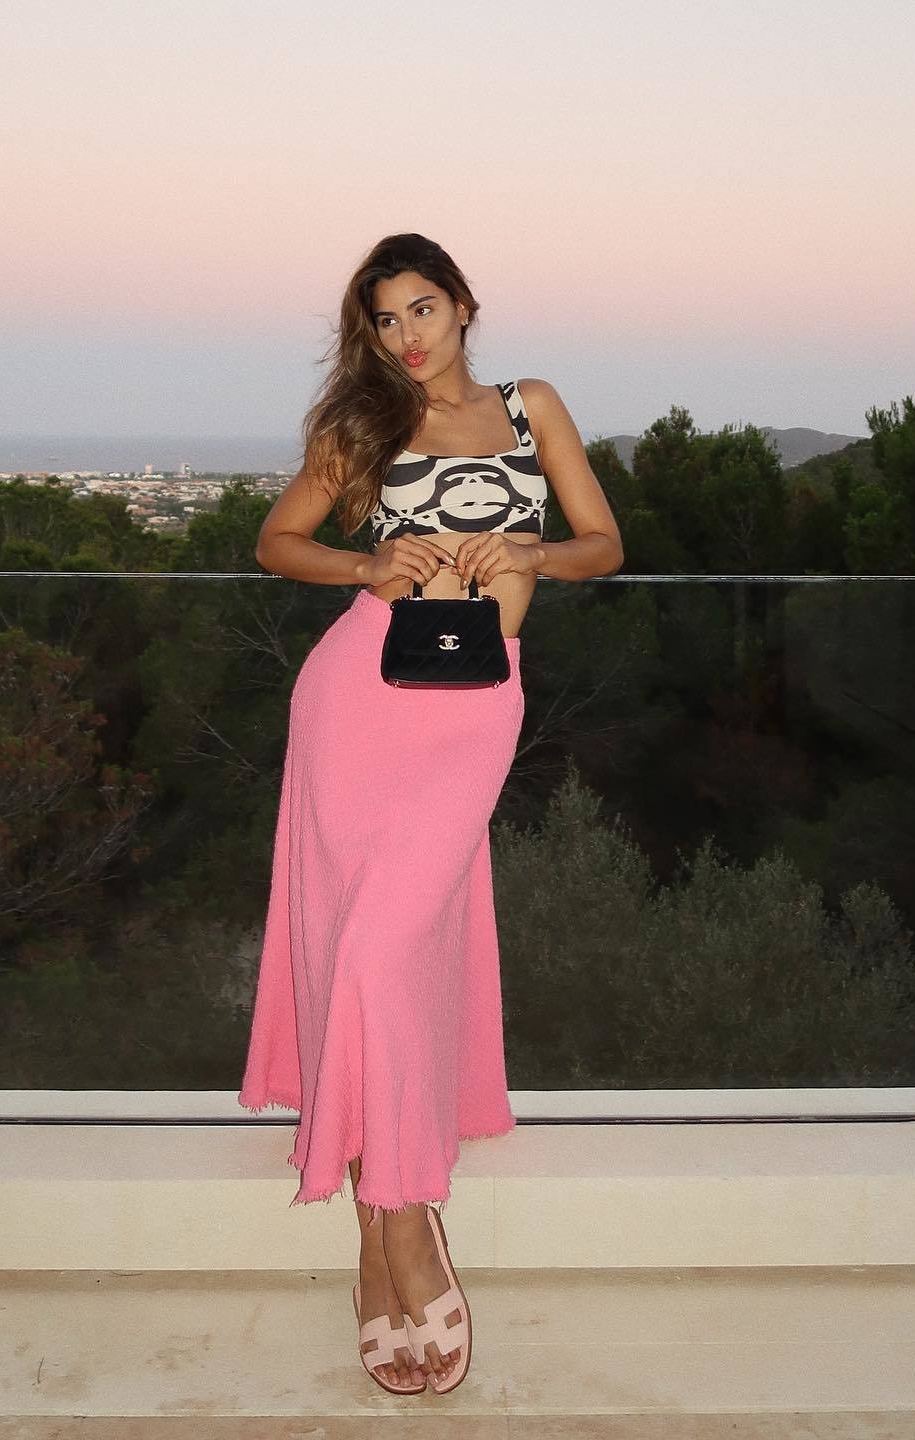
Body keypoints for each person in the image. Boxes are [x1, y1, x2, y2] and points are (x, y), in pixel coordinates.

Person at [237, 233, 623, 1395]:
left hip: (475, 702)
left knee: (386, 945)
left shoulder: (531, 406)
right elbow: (277, 542)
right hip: (361, 691)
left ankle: (387, 1218)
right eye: (385, 319)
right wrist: (364, 568)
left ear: (462, 304)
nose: (406, 336)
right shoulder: (363, 423)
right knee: (360, 951)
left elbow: (606, 544)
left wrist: (535, 551)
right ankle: (394, 1231)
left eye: (421, 309)